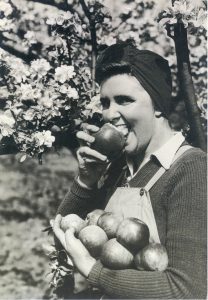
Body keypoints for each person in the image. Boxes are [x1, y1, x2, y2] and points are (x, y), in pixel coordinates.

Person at [52, 41, 207, 299]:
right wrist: (86, 182)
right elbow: (63, 241)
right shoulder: (120, 168)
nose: (110, 114)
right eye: (105, 102)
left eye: (124, 100)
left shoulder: (191, 170)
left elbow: (188, 290)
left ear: (158, 105)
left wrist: (94, 271)